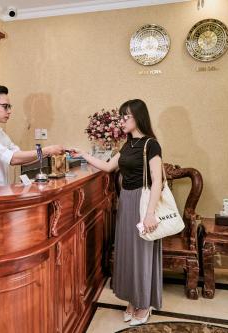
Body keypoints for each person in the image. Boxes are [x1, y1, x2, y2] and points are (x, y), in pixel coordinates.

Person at [69, 99, 163, 326]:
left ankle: (144, 303)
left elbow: (158, 180)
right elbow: (109, 166)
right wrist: (83, 153)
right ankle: (133, 298)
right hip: (127, 200)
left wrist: (150, 213)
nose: (121, 121)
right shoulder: (128, 145)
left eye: (125, 117)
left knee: (142, 252)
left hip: (143, 201)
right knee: (128, 252)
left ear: (137, 117)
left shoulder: (151, 144)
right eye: (121, 117)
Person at [0, 85, 64, 188]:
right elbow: (13, 159)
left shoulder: (1, 133)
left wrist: (51, 153)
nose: (9, 111)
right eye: (5, 106)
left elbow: (21, 157)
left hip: (2, 192)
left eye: (9, 107)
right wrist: (47, 150)